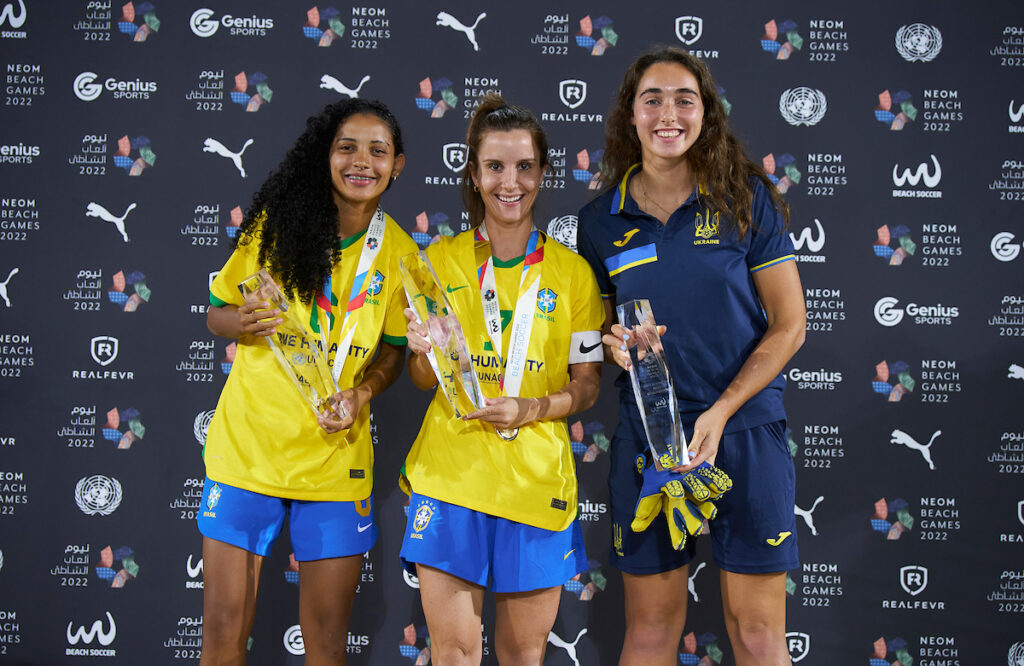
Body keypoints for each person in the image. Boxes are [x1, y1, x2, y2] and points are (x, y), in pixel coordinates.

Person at [576, 46, 806, 665]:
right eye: (652, 99)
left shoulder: (745, 198)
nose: (668, 114)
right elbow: (599, 331)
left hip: (745, 433)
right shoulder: (598, 220)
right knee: (650, 634)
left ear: (707, 113)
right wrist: (611, 342)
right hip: (651, 442)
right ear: (631, 115)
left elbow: (789, 327)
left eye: (685, 99)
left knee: (758, 635)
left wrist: (724, 410)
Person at [197, 99, 417, 665]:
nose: (360, 161)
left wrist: (363, 393)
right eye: (347, 147)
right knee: (223, 633)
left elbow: (393, 353)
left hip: (334, 461)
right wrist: (238, 322)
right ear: (326, 156)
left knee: (325, 643)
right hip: (250, 448)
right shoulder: (274, 226)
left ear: (398, 166)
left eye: (377, 150)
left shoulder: (399, 254)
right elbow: (217, 312)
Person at [400, 94, 605, 665]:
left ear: (542, 173)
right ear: (474, 173)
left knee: (521, 654)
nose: (508, 182)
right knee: (456, 653)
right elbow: (422, 378)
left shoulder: (573, 275)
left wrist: (531, 409)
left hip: (534, 484)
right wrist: (423, 352)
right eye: (494, 166)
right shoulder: (436, 261)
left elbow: (587, 385)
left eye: (523, 166)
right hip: (451, 476)